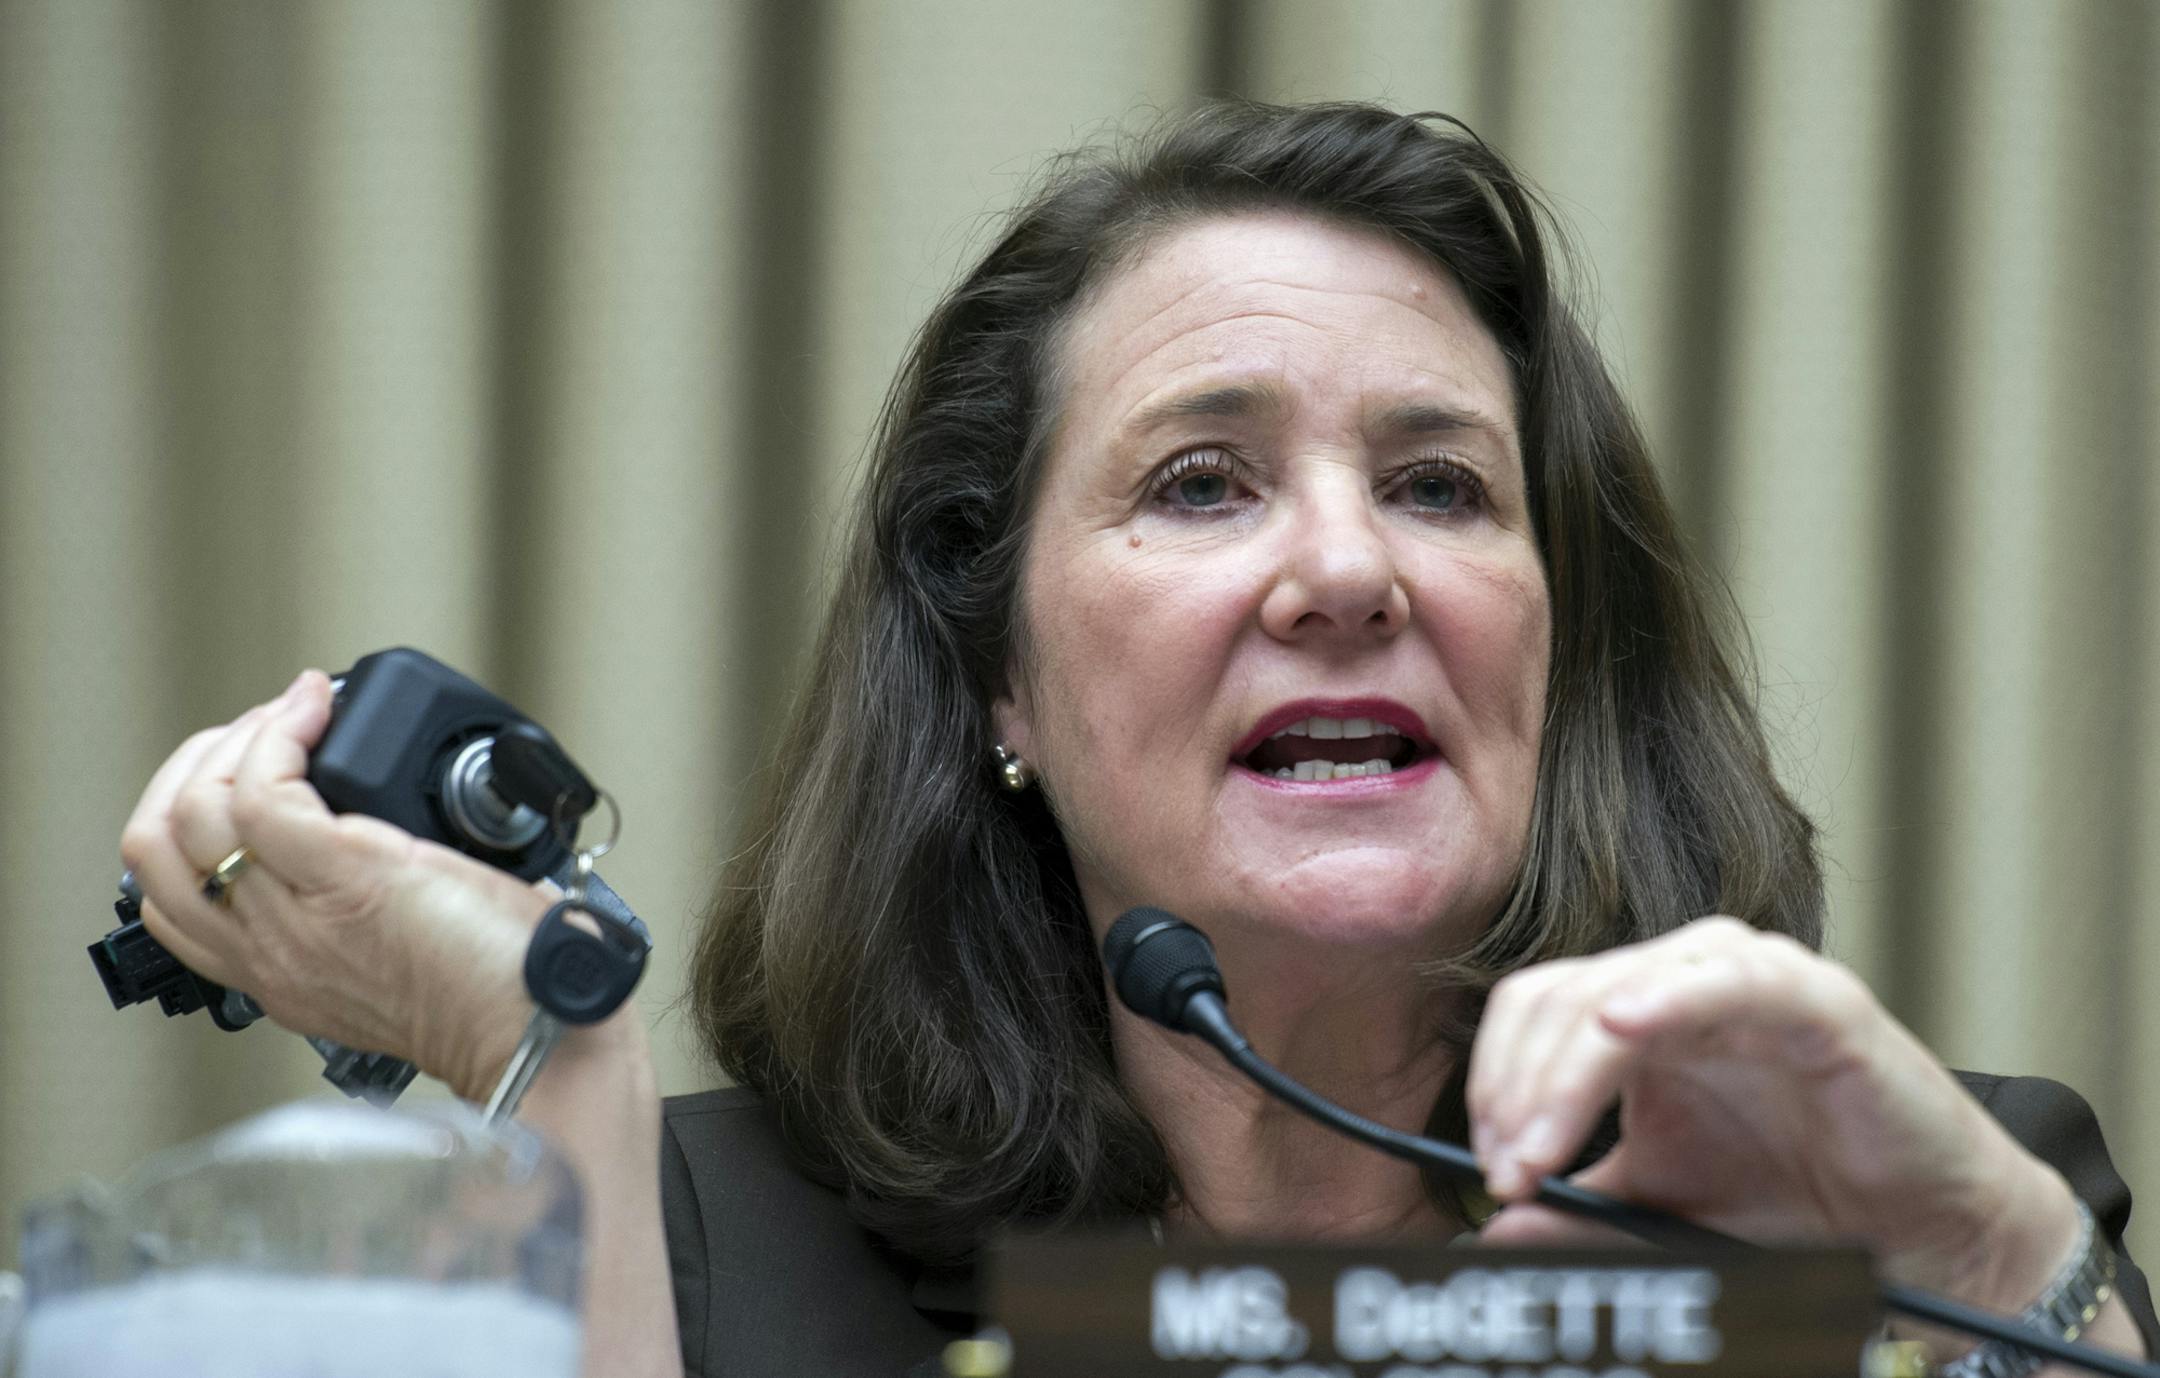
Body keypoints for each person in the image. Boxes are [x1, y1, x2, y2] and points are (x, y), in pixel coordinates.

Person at [121, 102, 2154, 1378]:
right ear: (998, 679)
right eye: (1201, 482)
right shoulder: (698, 1241)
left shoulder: (1923, 1223)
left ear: (1559, 644)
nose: (1347, 569)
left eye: (1441, 486)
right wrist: (545, 1054)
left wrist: (1991, 1245)